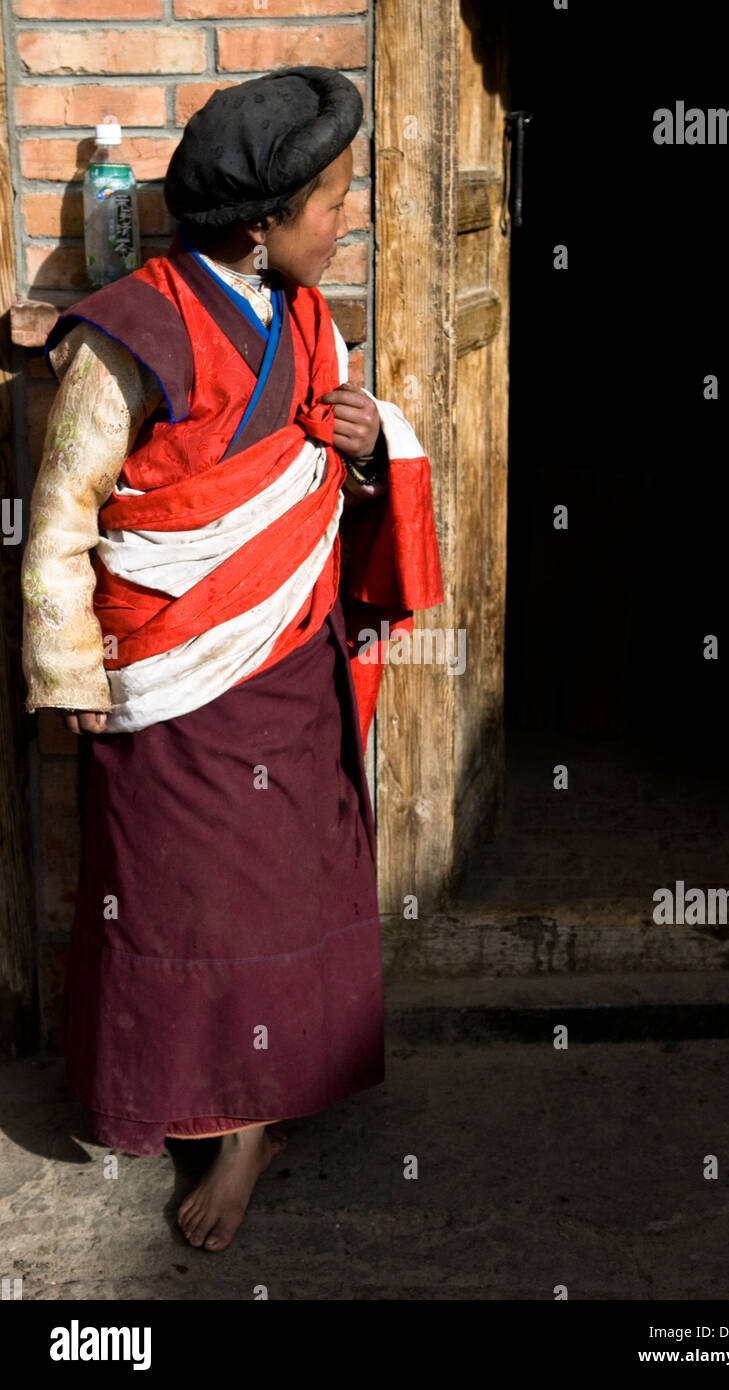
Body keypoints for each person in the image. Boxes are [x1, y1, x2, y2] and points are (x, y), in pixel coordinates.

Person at [21, 66, 443, 1252]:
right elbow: (65, 513)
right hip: (164, 678)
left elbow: (332, 478)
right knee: (168, 896)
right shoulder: (131, 332)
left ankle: (252, 1126)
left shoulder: (315, 323)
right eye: (332, 200)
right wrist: (67, 676)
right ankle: (170, 1098)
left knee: (284, 887)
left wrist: (370, 445)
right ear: (260, 223)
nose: (345, 218)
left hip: (287, 667)